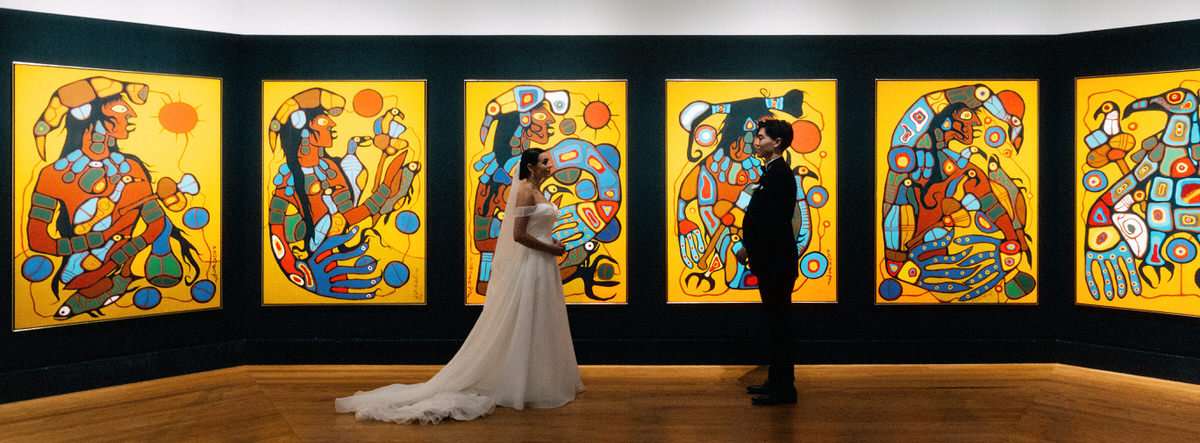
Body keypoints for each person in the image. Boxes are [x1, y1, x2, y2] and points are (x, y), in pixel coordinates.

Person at [336, 147, 584, 424]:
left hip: (544, 263)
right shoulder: (525, 192)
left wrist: (552, 247)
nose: (551, 165)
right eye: (545, 161)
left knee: (541, 319)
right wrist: (550, 248)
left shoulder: (541, 193)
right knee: (524, 317)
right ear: (530, 166)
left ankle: (536, 379)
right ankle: (518, 381)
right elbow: (518, 235)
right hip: (533, 263)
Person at [735, 119, 799, 406]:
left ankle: (784, 390)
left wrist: (749, 248)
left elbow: (771, 221)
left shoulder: (780, 175)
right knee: (777, 325)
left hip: (776, 261)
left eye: (761, 137)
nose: (756, 141)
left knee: (780, 326)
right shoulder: (772, 173)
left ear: (777, 142)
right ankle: (776, 382)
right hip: (771, 260)